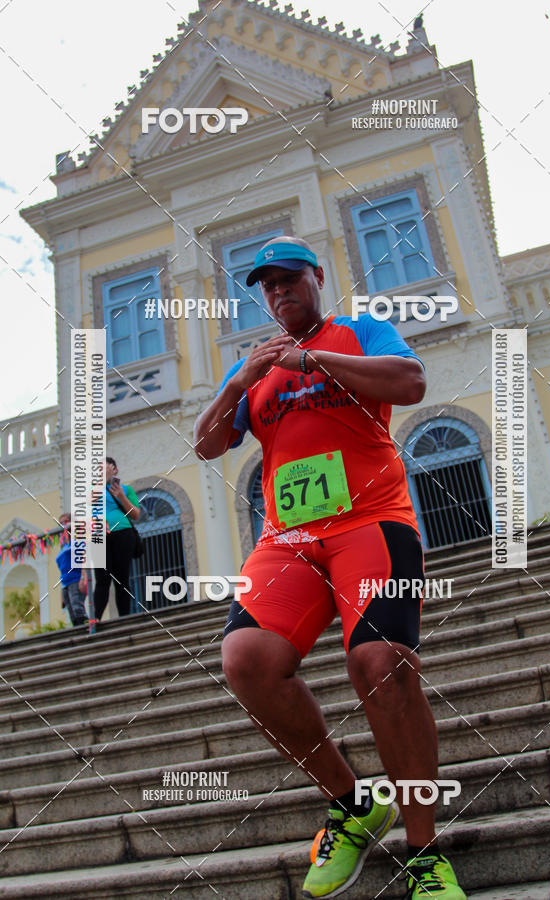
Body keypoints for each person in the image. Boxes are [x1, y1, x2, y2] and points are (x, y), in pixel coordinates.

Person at [193, 236, 466, 900]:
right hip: (288, 539)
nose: (279, 290)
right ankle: (353, 804)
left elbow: (411, 382)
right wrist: (239, 382)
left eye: (290, 277)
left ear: (317, 276)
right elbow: (205, 444)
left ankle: (425, 853)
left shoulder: (358, 330)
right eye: (268, 285)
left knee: (381, 664)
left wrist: (313, 358)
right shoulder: (256, 368)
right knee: (246, 660)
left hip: (371, 522)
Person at [93, 456, 141, 620]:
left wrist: (121, 495)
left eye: (106, 467)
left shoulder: (126, 490)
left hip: (123, 533)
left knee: (122, 579)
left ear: (115, 470)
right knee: (102, 578)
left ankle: (124, 619)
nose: (102, 471)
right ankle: (95, 619)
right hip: (98, 534)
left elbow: (135, 514)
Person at [56, 513, 88, 627]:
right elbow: (62, 568)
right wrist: (62, 591)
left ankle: (86, 629)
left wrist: (83, 578)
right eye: (61, 523)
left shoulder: (78, 541)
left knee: (78, 608)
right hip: (65, 583)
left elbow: (84, 559)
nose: (63, 525)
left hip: (76, 579)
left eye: (66, 521)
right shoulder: (64, 545)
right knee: (72, 614)